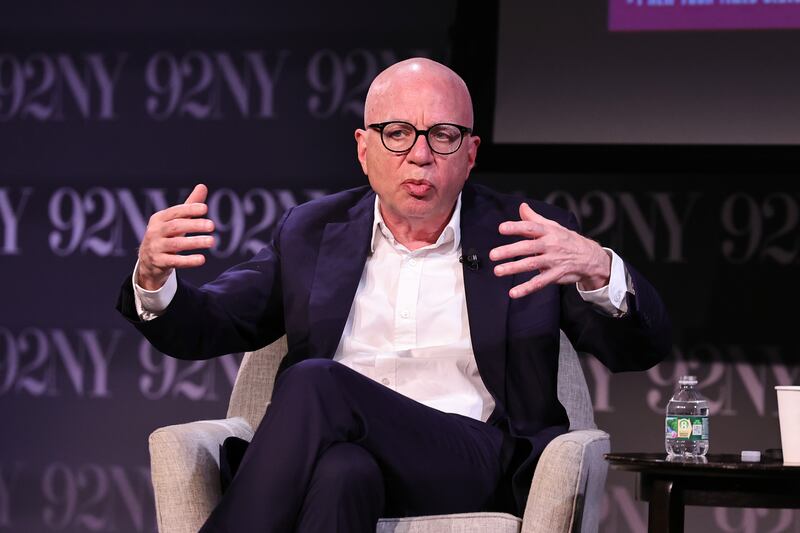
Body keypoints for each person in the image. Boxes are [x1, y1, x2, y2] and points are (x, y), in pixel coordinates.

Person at [116, 58, 670, 533]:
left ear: (470, 153)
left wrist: (601, 270)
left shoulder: (525, 233)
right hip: (342, 455)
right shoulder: (312, 231)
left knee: (316, 381)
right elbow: (210, 323)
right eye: (398, 133)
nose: (420, 155)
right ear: (364, 148)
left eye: (443, 135)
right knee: (342, 475)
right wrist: (152, 278)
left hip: (472, 461)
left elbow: (636, 350)